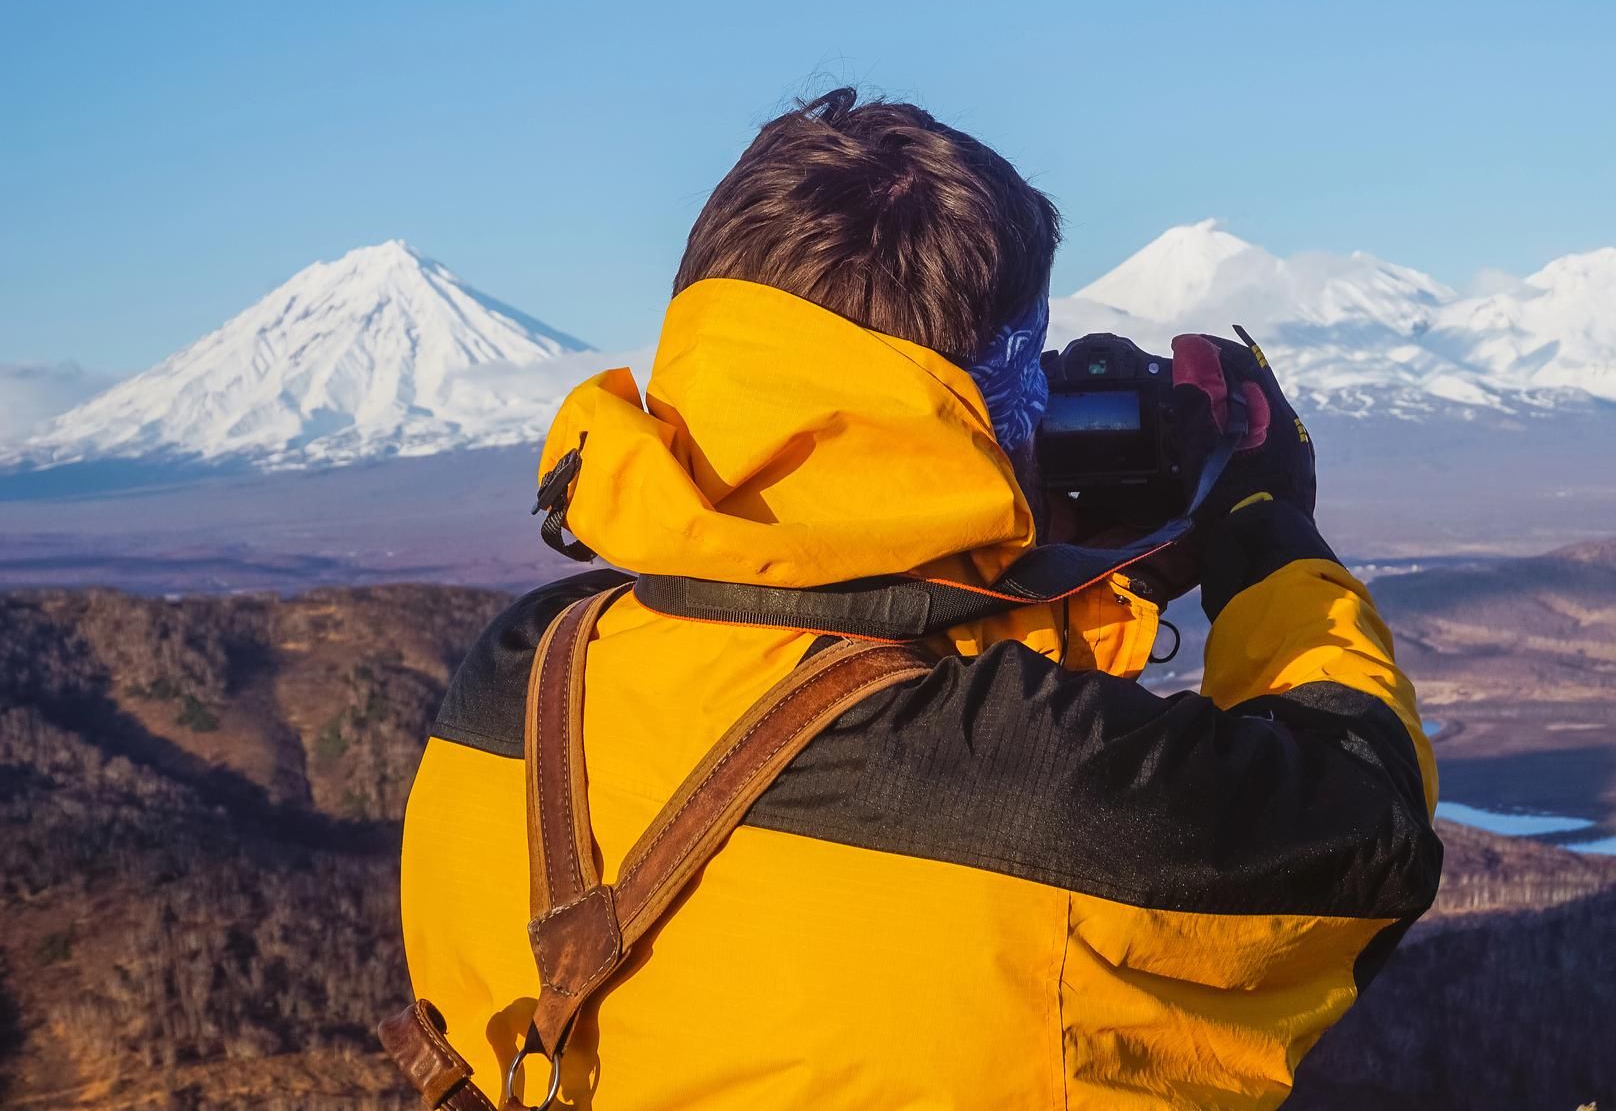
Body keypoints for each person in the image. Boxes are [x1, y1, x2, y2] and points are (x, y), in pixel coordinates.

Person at [397, 88, 1441, 1109]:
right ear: (966, 403)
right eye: (1027, 378)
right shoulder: (1057, 793)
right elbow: (1367, 823)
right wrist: (1263, 527)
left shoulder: (520, 672)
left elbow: (828, 701)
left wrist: (1026, 574)